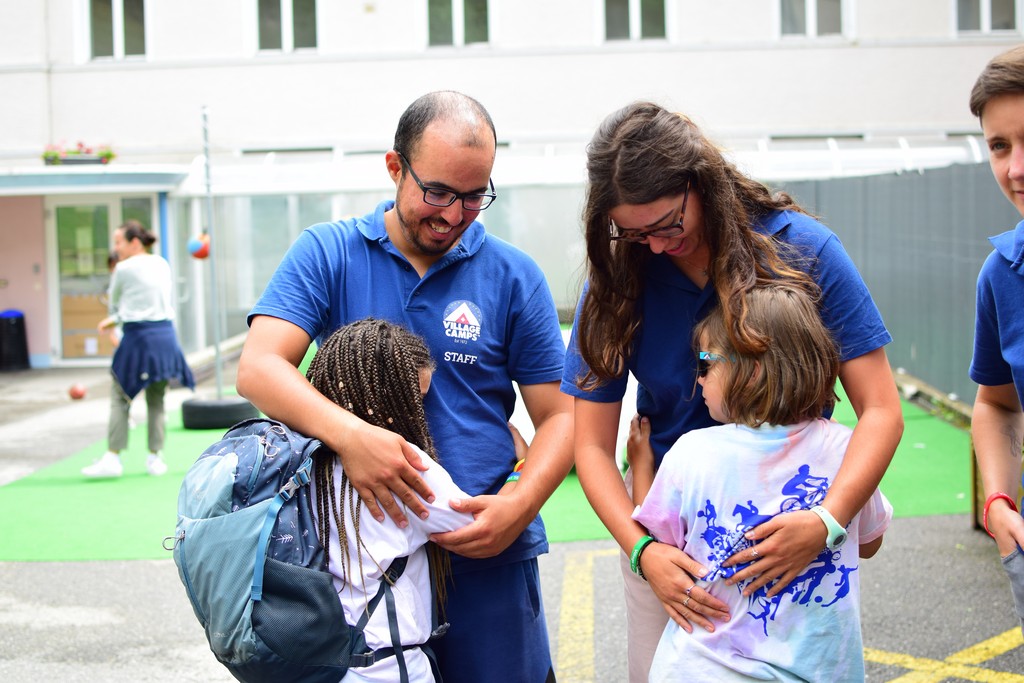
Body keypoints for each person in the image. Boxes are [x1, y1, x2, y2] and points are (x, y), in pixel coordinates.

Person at [236, 91, 573, 683]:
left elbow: (561, 418)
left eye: (474, 197)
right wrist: (353, 438)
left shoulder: (514, 275)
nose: (453, 214)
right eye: (437, 192)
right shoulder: (329, 252)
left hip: (485, 552)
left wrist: (519, 504)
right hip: (359, 566)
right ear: (395, 167)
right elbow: (260, 368)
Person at [560, 101, 904, 681]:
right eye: (635, 232)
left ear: (702, 184)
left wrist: (826, 522)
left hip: (793, 537)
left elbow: (882, 409)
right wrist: (646, 555)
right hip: (670, 545)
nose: (659, 247)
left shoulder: (804, 249)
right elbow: (590, 445)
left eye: (670, 223)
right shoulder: (622, 274)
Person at [627, 283, 891, 681]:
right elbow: (870, 543)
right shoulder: (846, 451)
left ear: (749, 371)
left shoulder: (690, 452)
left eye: (704, 364)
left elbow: (662, 549)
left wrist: (641, 465)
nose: (697, 380)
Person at [307, 318, 473, 683]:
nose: (419, 416)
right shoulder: (405, 467)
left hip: (310, 663)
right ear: (386, 399)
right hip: (385, 667)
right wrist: (518, 467)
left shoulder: (298, 462)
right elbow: (475, 526)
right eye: (413, 402)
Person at [968, 44, 1024, 636]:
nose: (1016, 169)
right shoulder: (1002, 274)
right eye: (999, 145)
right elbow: (998, 401)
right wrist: (999, 503)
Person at [81, 220, 194, 479]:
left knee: (120, 397)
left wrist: (112, 320)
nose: (116, 247)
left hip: (138, 336)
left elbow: (115, 306)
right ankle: (155, 458)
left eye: (118, 242)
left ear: (134, 242)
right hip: (165, 336)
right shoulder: (162, 263)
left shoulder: (122, 268)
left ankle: (112, 457)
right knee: (157, 398)